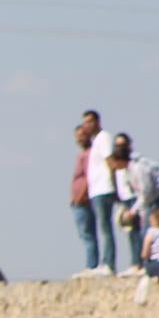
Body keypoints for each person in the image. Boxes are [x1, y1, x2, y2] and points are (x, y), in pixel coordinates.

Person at [110, 134, 159, 276]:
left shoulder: (138, 169)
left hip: (157, 198)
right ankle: (148, 265)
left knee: (149, 232)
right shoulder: (129, 170)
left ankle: (151, 265)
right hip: (149, 200)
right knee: (146, 232)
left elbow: (147, 192)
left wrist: (133, 211)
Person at [76, 110, 117, 277]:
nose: (87, 125)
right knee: (102, 227)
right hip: (96, 191)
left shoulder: (104, 137)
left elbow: (110, 162)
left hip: (104, 189)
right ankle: (104, 263)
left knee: (105, 227)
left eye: (90, 121)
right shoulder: (96, 142)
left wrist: (116, 187)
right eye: (85, 122)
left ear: (97, 121)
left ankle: (109, 263)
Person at [70, 124, 98, 275]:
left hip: (83, 201)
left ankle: (91, 266)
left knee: (88, 234)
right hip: (78, 201)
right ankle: (91, 264)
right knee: (84, 234)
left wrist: (80, 196)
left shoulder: (88, 155)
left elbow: (89, 176)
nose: (79, 139)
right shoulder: (82, 154)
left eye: (82, 135)